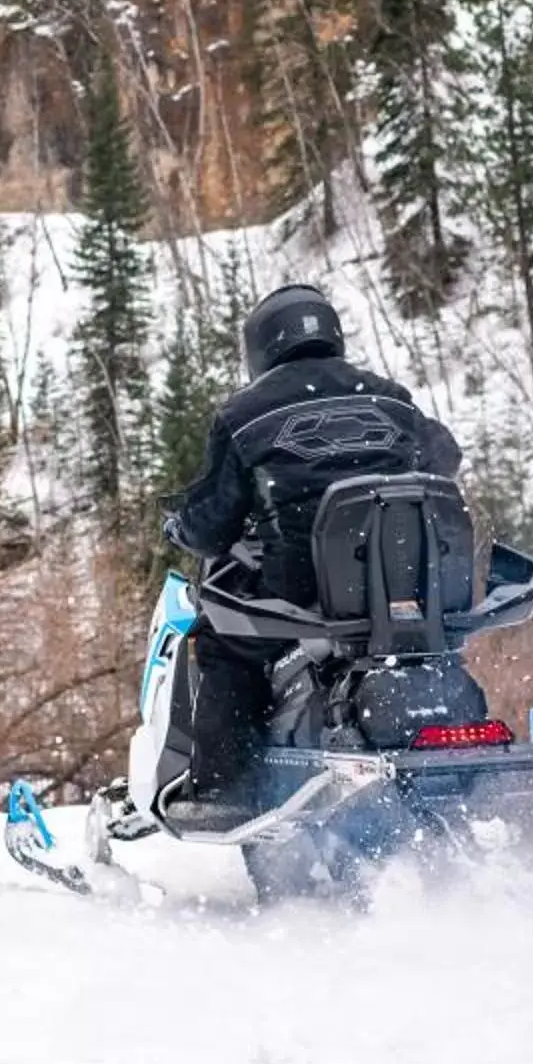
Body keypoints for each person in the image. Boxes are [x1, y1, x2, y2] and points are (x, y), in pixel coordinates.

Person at [156, 284, 464, 816]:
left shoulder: (244, 414)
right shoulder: (387, 395)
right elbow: (447, 458)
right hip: (407, 589)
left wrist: (176, 526)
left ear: (261, 345)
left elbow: (211, 526)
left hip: (306, 592)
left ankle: (224, 788)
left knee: (222, 644)